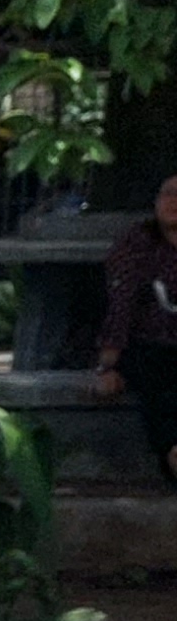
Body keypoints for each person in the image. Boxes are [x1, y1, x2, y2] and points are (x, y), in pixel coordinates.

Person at [103, 171, 177, 492]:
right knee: (155, 376)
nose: (173, 202)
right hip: (151, 346)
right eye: (167, 193)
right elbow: (122, 303)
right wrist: (107, 366)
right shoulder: (138, 243)